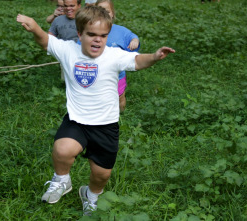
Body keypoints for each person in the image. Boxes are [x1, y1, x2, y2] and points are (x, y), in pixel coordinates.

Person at [16, 5, 175, 216]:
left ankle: (90, 195)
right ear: (79, 34)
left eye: (103, 35)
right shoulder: (67, 50)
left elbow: (136, 60)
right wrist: (35, 26)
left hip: (106, 125)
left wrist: (154, 57)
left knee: (101, 175)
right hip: (77, 121)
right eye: (91, 34)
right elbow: (45, 40)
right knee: (62, 150)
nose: (98, 40)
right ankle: (62, 180)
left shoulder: (114, 55)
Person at [95, 0, 140, 112]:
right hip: (97, 74)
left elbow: (132, 36)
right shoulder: (91, 30)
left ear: (113, 14)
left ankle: (122, 115)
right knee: (100, 99)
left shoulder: (121, 31)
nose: (104, 13)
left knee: (120, 96)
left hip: (117, 75)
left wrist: (134, 41)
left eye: (107, 11)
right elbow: (79, 45)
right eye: (100, 10)